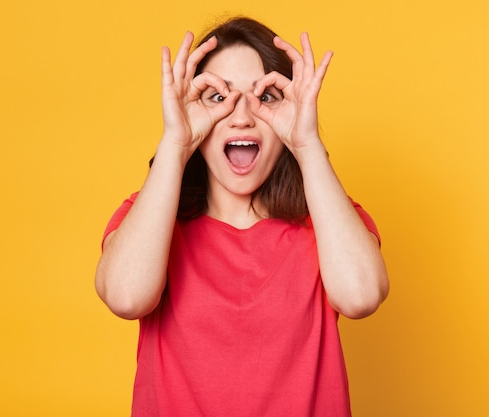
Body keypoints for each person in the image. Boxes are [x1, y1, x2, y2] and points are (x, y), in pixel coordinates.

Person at [95, 16, 389, 417]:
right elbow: (126, 296)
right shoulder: (150, 219)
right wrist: (175, 141)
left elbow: (361, 296)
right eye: (219, 97)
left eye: (264, 96)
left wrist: (306, 143)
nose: (241, 117)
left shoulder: (328, 221)